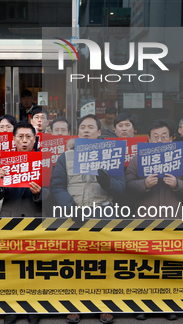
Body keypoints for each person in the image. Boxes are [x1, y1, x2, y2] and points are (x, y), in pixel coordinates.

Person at [49, 115, 124, 324]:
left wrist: (107, 181)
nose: (86, 130)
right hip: (74, 216)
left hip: (102, 214)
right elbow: (56, 185)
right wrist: (71, 208)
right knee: (73, 262)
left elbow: (121, 188)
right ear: (78, 132)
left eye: (91, 127)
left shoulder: (112, 155)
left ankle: (104, 305)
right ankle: (74, 305)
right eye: (82, 127)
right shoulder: (66, 156)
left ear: (99, 132)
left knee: (103, 263)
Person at [125, 120, 183, 321]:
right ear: (148, 139)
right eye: (155, 136)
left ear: (172, 139)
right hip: (145, 220)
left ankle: (169, 305)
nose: (160, 140)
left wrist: (177, 184)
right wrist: (144, 184)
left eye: (164, 136)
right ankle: (143, 305)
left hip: (173, 219)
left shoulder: (181, 160)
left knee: (170, 264)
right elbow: (127, 186)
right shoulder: (138, 159)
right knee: (145, 264)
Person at [0, 121, 42, 324]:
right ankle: (11, 307)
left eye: (28, 137)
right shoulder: (3, 160)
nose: (24, 141)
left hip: (35, 217)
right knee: (11, 265)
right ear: (13, 139)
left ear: (35, 139)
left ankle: (32, 308)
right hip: (9, 218)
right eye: (20, 136)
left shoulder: (42, 161)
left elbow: (52, 195)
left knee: (33, 266)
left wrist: (39, 194)